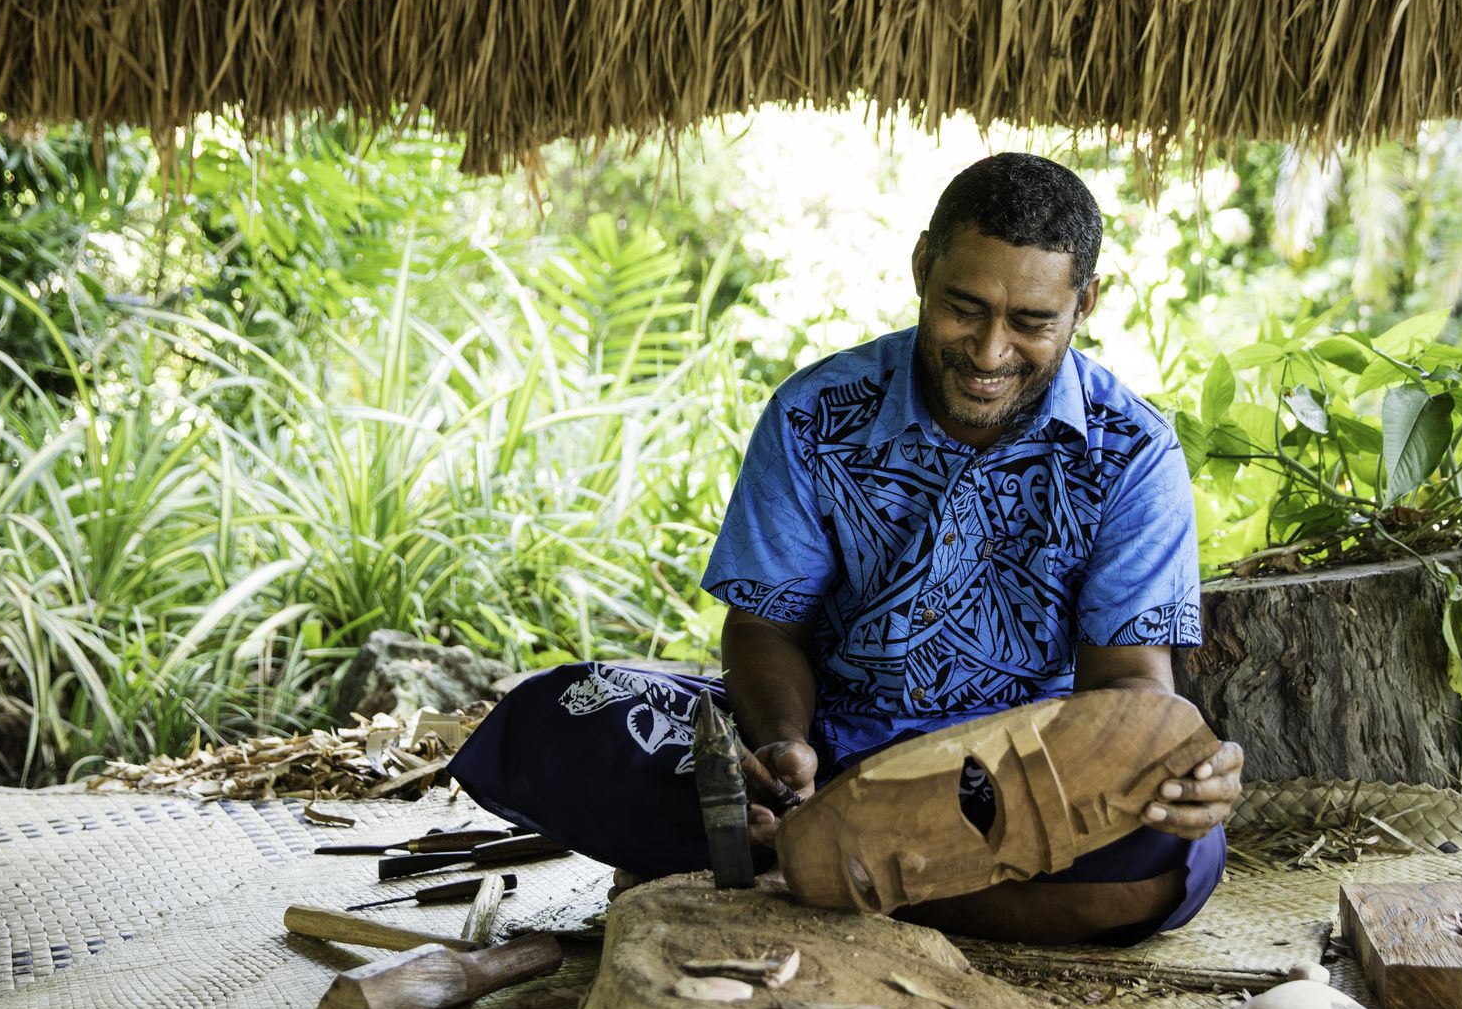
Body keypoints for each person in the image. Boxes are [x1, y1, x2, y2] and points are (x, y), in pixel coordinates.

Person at [448, 152, 1243, 944]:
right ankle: (846, 858)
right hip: (824, 766)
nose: (991, 351)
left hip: (1002, 786)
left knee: (1177, 848)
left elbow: (1131, 686)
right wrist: (781, 744)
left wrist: (1178, 764)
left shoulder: (1132, 450)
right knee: (561, 714)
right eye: (964, 307)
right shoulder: (813, 413)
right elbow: (767, 626)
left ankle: (797, 873)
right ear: (922, 266)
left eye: (1031, 322)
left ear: (1085, 303)